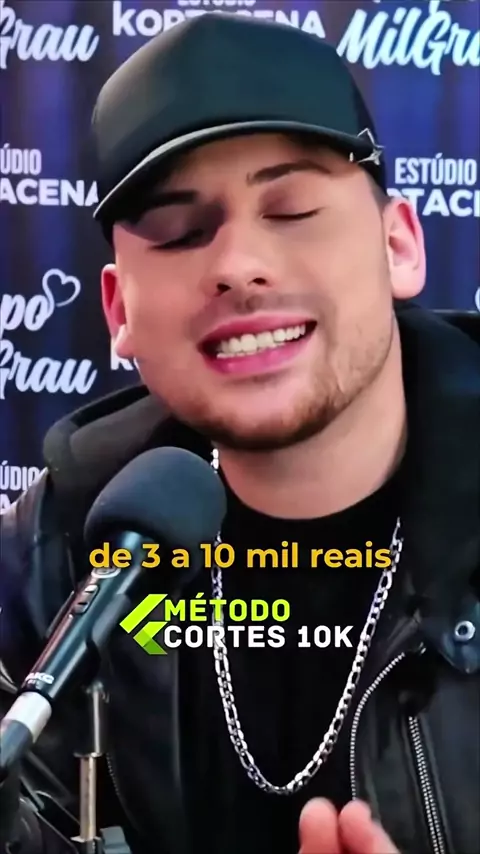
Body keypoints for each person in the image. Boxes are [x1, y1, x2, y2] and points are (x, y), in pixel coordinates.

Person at [1, 12, 479, 854]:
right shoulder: (57, 555)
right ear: (117, 311)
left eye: (291, 209)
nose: (236, 266)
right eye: (180, 232)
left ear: (399, 245)